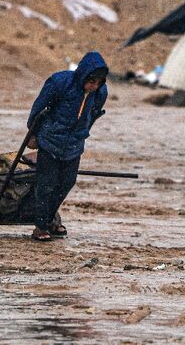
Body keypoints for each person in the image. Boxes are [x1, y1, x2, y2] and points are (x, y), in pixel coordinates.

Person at [26, 52, 108, 241]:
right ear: (83, 75)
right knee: (46, 183)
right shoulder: (60, 83)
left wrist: (82, 133)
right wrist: (33, 133)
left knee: (67, 182)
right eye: (91, 81)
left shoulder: (100, 93)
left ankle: (49, 217)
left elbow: (93, 114)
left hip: (74, 145)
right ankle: (40, 226)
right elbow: (38, 108)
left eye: (98, 82)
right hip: (50, 140)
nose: (94, 86)